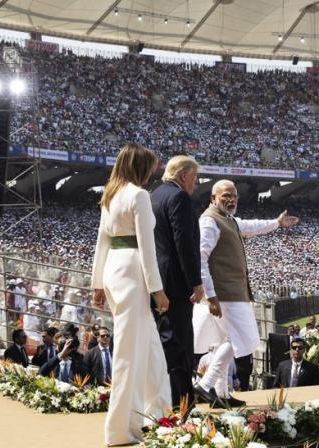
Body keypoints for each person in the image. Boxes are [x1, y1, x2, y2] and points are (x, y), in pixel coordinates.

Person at [91, 143, 172, 446]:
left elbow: (102, 241)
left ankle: (160, 412)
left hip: (114, 270)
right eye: (150, 166)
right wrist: (158, 290)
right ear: (140, 166)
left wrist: (97, 283)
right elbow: (147, 247)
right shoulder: (138, 195)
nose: (153, 171)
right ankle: (121, 430)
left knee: (150, 346)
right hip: (134, 273)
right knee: (128, 352)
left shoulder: (110, 195)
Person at [194, 179, 299, 393]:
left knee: (227, 340)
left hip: (232, 292)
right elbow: (200, 259)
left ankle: (221, 392)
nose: (231, 199)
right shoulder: (209, 221)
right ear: (213, 198)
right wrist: (211, 296)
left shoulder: (228, 219)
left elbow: (251, 226)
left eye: (234, 196)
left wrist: (277, 223)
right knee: (244, 339)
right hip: (225, 294)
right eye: (226, 196)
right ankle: (206, 384)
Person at [150, 155, 205, 407]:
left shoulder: (155, 195)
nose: (196, 183)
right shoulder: (179, 197)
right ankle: (177, 398)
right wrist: (196, 281)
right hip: (176, 281)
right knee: (177, 341)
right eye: (195, 177)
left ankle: (178, 397)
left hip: (158, 278)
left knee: (170, 337)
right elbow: (185, 244)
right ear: (183, 175)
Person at [195, 341, 243, 408]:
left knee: (223, 339)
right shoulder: (203, 359)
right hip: (209, 382)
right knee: (236, 338)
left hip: (227, 384)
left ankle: (221, 394)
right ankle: (206, 385)